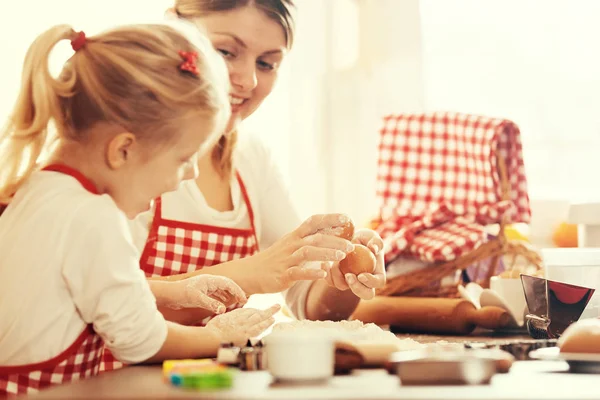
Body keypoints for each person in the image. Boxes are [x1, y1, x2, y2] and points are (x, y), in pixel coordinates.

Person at [0, 22, 293, 396]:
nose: (191, 174)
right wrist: (218, 336)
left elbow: (88, 283)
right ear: (123, 149)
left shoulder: (43, 191)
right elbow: (141, 342)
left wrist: (177, 291)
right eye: (184, 158)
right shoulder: (94, 217)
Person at [131, 0, 386, 327]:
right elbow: (104, 304)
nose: (249, 80)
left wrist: (344, 276)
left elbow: (309, 305)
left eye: (266, 64)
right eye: (225, 52)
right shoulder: (125, 151)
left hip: (214, 376)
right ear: (172, 32)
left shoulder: (251, 160)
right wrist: (253, 273)